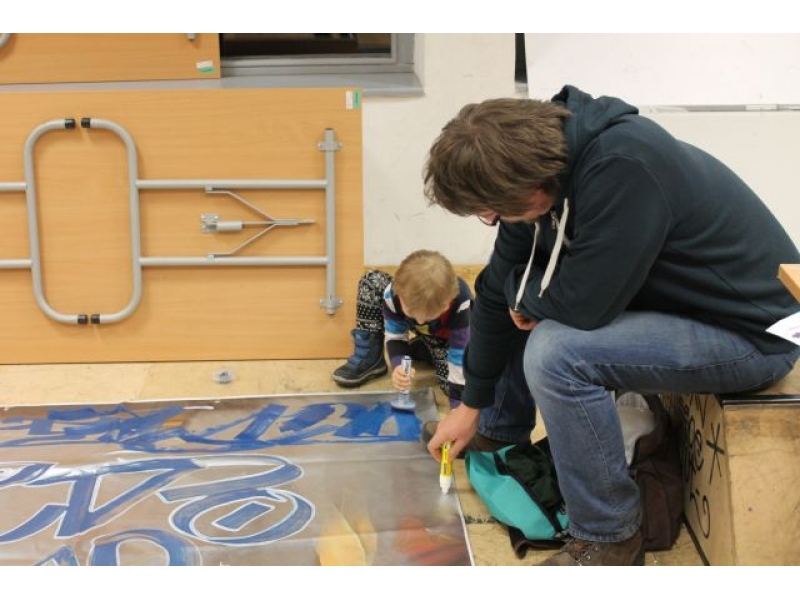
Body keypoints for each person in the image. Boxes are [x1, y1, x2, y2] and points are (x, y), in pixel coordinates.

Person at [421, 85, 800, 566]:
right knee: (518, 298)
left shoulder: (624, 166)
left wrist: (522, 292)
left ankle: (609, 537)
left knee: (556, 352)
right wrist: (472, 405)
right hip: (684, 311)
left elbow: (585, 308)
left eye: (491, 213)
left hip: (753, 334)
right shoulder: (544, 171)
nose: (492, 220)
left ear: (528, 189)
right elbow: (497, 290)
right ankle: (498, 433)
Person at [332, 249, 473, 409]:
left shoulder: (461, 305)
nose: (420, 321)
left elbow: (459, 358)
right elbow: (396, 336)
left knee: (456, 386)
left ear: (447, 304)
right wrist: (398, 364)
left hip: (451, 342)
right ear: (399, 294)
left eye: (429, 316)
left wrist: (458, 407)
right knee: (371, 281)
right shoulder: (394, 295)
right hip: (428, 332)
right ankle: (373, 360)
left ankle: (428, 350)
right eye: (412, 313)